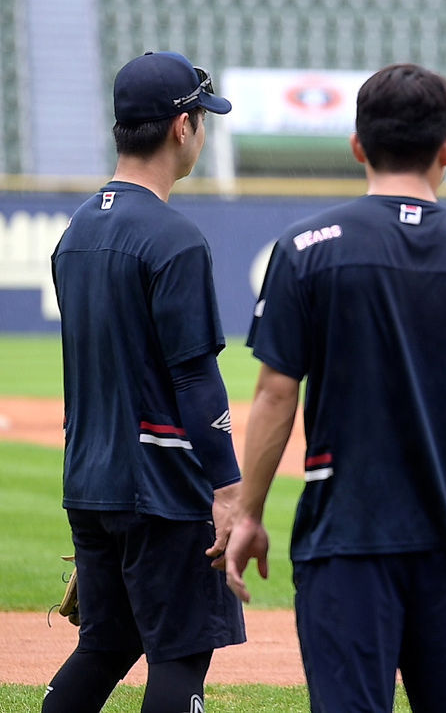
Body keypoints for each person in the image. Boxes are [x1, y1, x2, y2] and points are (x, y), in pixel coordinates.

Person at [224, 63, 446, 713]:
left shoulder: (304, 250)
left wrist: (249, 513)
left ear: (356, 145)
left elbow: (274, 395)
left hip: (343, 538)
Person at [46, 51, 245, 712]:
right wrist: (227, 490)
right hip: (162, 487)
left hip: (89, 479)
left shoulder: (75, 230)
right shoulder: (173, 238)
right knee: (180, 658)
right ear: (181, 127)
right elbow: (195, 377)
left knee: (105, 645)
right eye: (202, 117)